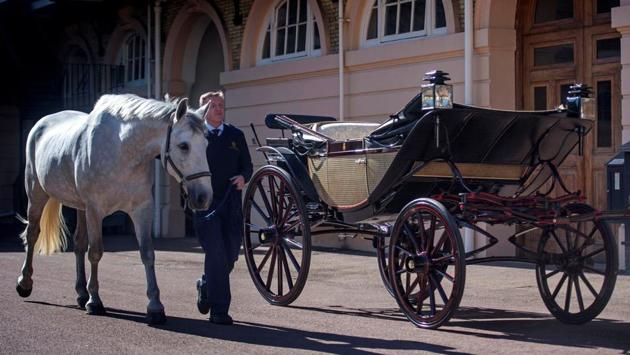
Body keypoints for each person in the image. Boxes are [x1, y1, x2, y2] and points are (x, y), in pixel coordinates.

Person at [194, 90, 252, 325]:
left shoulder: (235, 135)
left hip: (231, 204)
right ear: (203, 111)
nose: (219, 108)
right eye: (213, 105)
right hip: (206, 205)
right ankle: (219, 311)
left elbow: (247, 165)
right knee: (216, 253)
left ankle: (207, 284)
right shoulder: (195, 136)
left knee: (229, 255)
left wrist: (243, 177)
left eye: (221, 105)